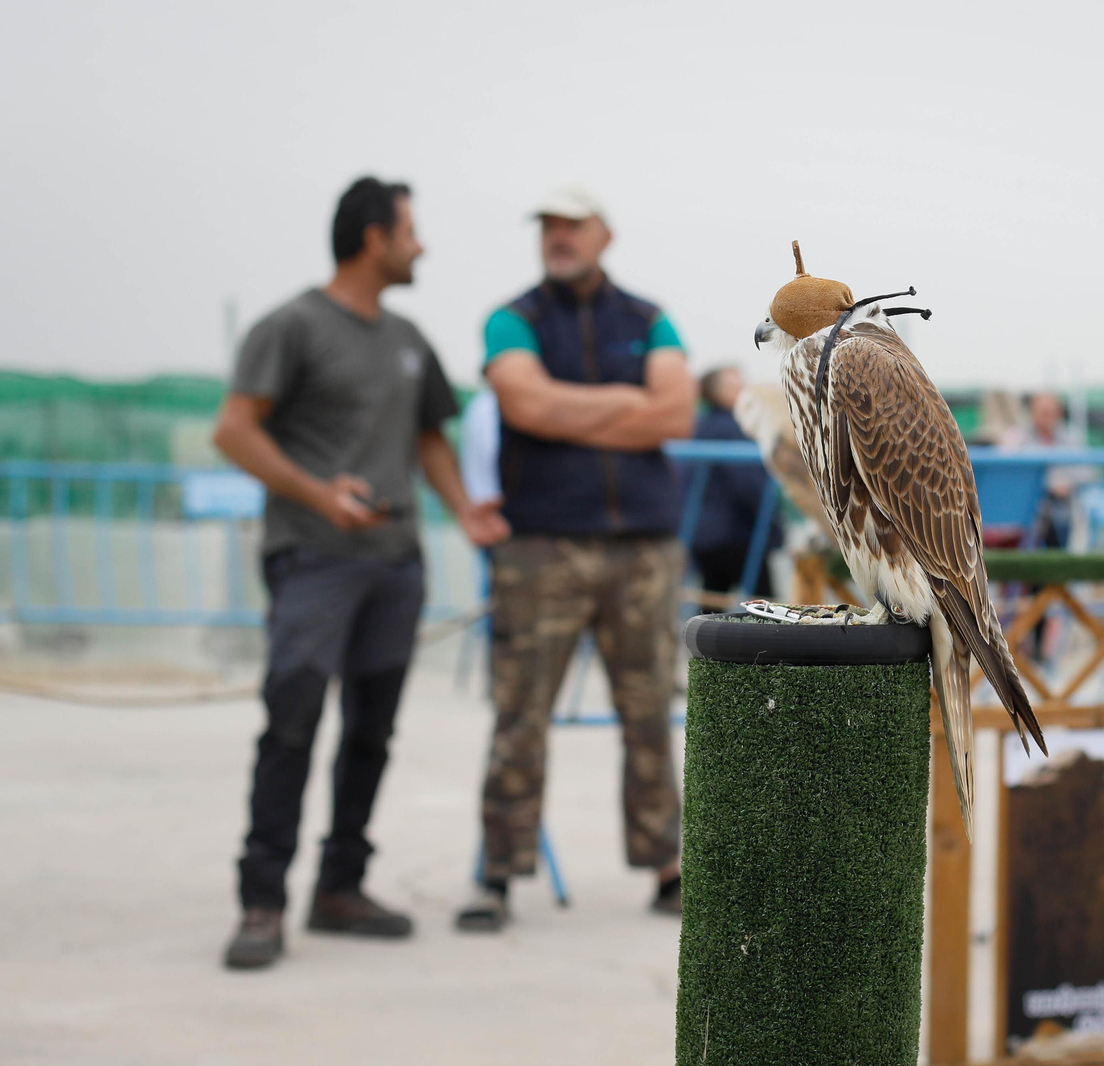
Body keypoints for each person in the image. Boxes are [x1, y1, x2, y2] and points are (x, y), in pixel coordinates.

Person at [212, 177, 508, 970]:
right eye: (411, 231)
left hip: (394, 564)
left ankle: (340, 887)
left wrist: (466, 512)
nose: (422, 246)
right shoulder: (291, 327)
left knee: (371, 733)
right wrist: (316, 493)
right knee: (293, 723)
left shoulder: (409, 338)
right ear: (373, 238)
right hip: (314, 560)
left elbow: (430, 443)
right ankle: (262, 902)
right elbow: (233, 432)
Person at [456, 187, 695, 931]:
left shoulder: (648, 318)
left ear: (605, 234)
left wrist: (567, 410)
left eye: (572, 225)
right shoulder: (510, 319)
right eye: (549, 227)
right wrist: (626, 405)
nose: (559, 237)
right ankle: (496, 875)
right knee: (519, 713)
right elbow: (523, 405)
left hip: (642, 550)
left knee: (650, 711)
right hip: (541, 547)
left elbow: (677, 412)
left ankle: (668, 866)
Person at [687, 366, 784, 608]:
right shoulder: (734, 428)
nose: (744, 391)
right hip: (739, 535)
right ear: (716, 392)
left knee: (711, 604)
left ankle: (705, 645)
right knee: (767, 607)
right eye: (736, 386)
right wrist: (774, 528)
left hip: (704, 535)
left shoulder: (700, 425)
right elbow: (750, 486)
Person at [1000, 392, 1077, 550]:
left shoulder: (1070, 439)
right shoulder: (1016, 438)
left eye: (1050, 413)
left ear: (1058, 414)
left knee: (1058, 517)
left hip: (1061, 504)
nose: (1046, 417)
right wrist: (1048, 484)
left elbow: (1086, 472)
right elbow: (1009, 474)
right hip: (1024, 504)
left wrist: (1066, 484)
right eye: (1042, 412)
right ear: (1032, 412)